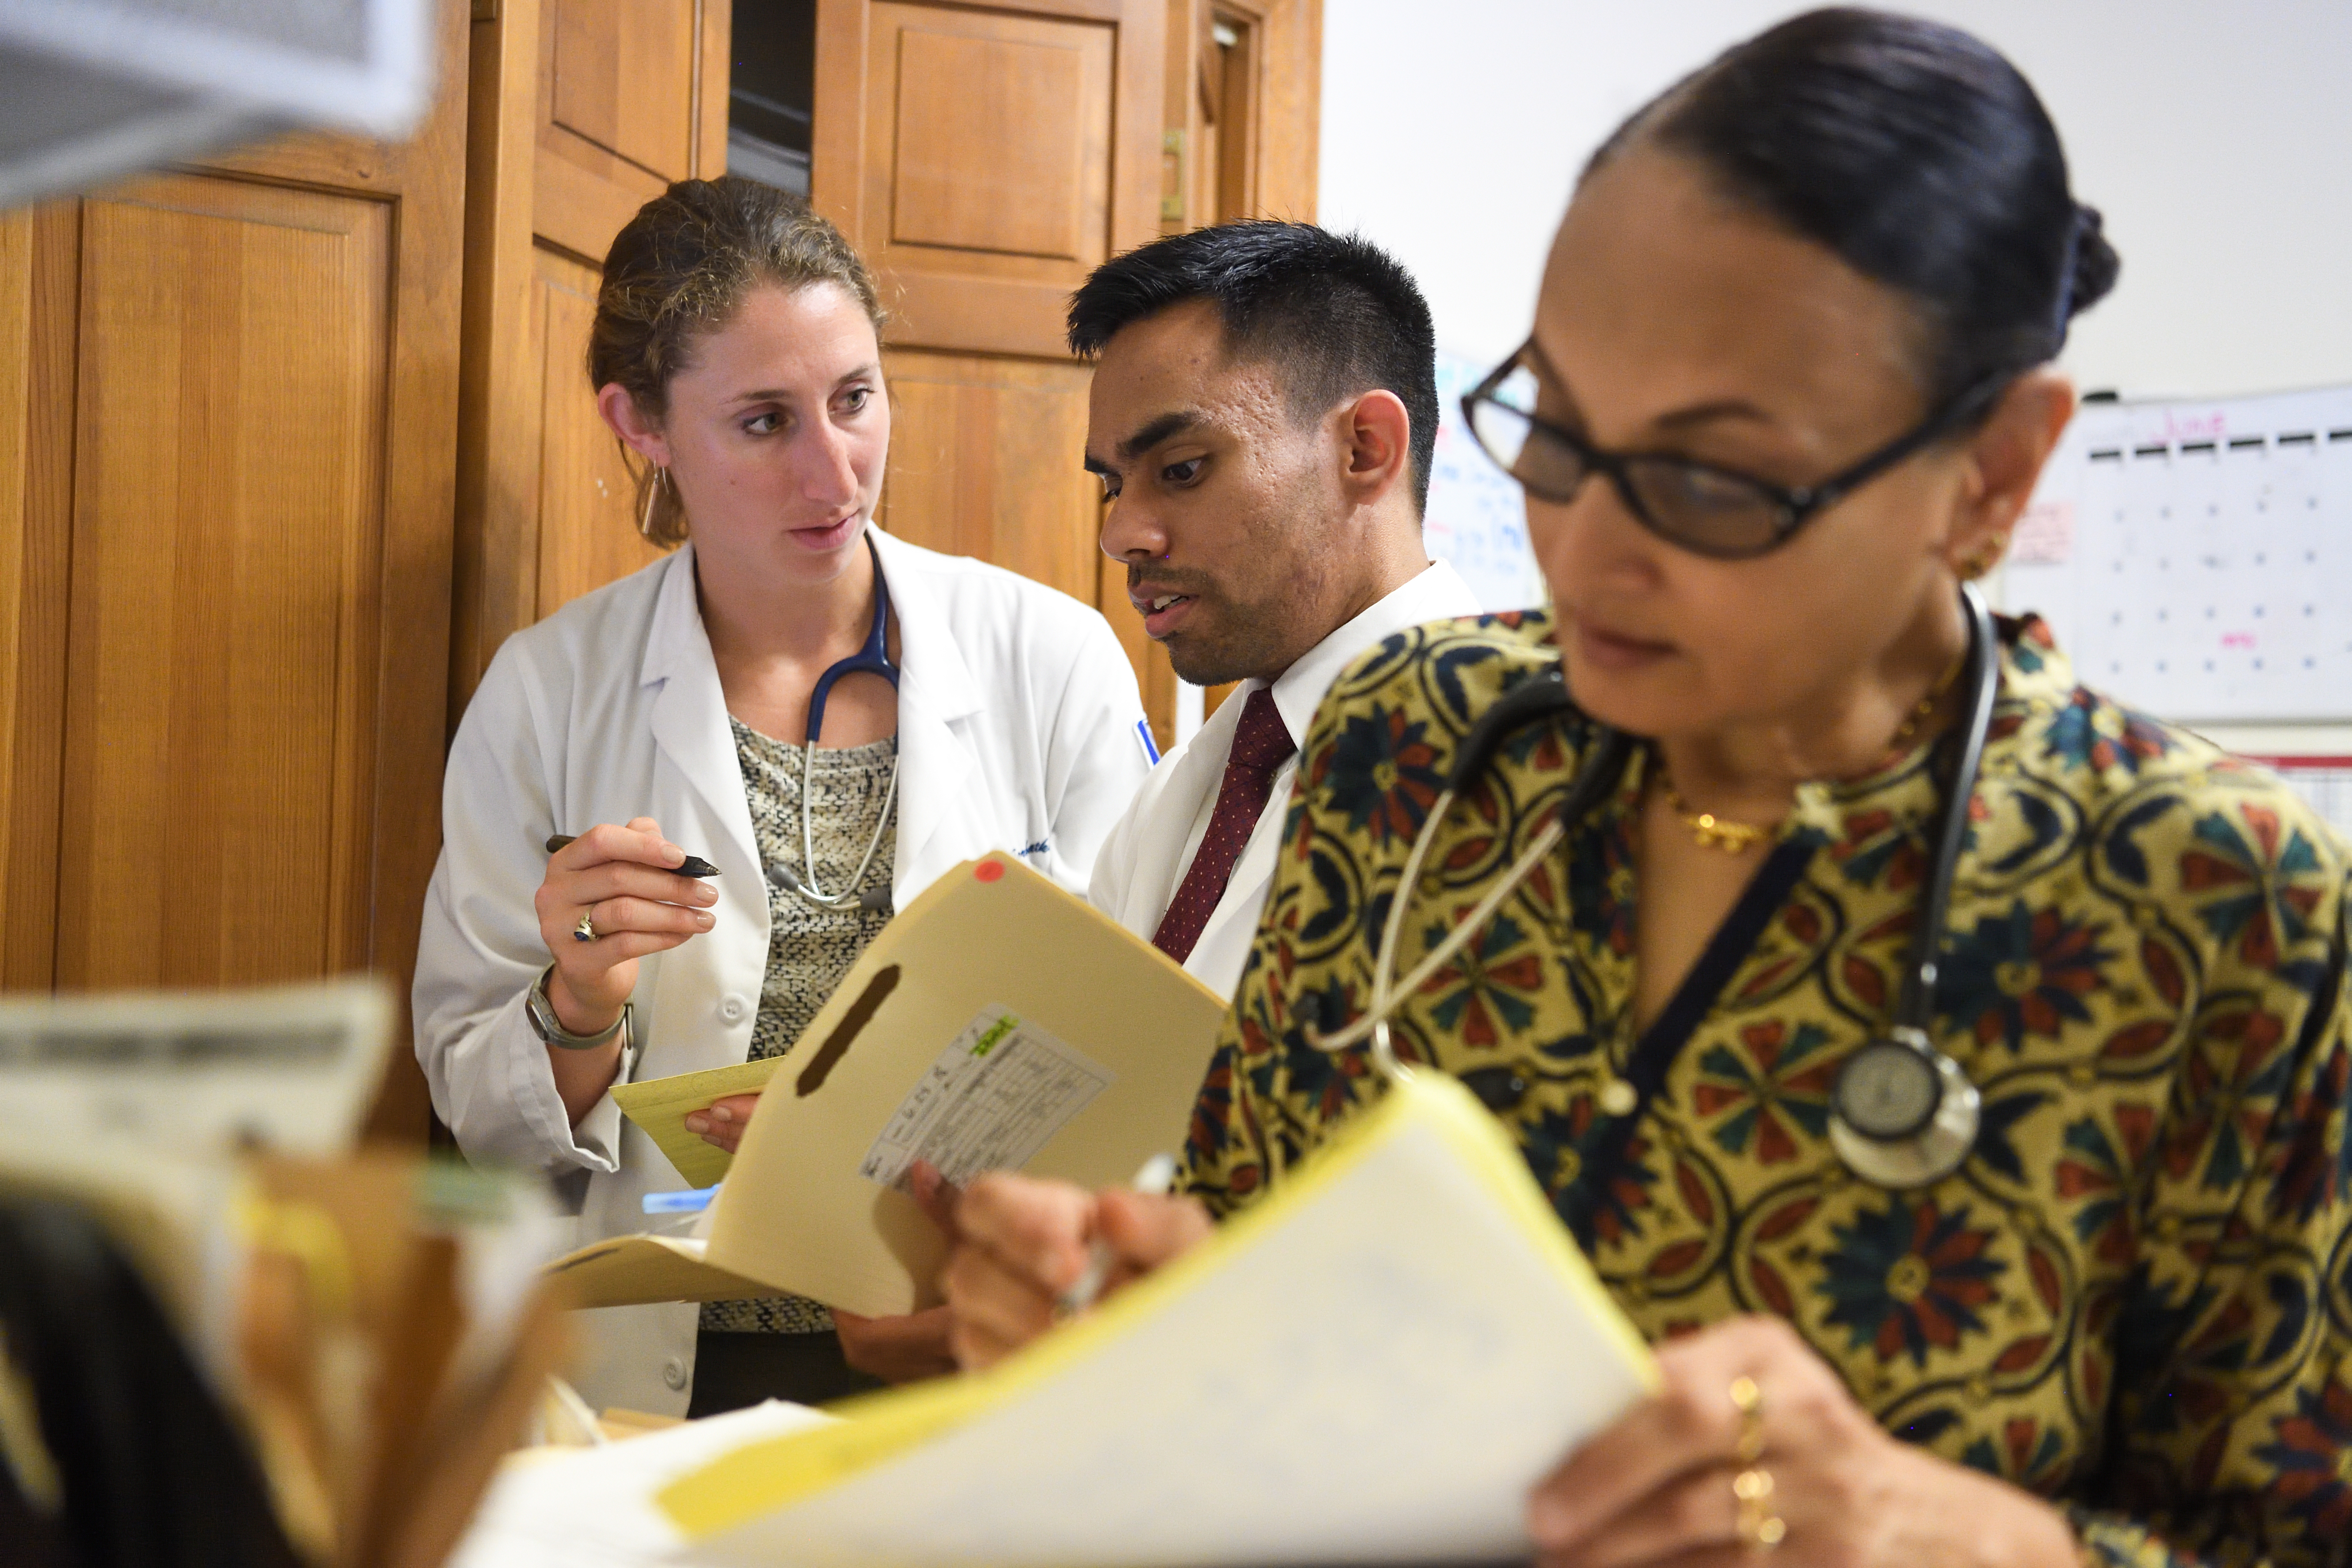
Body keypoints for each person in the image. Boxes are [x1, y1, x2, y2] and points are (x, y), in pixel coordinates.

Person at [932, 14, 2352, 1567]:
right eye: (1553, 433)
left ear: (1992, 475)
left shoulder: (2211, 905)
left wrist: (1947, 1534)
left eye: (1709, 480)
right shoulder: (1416, 750)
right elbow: (1237, 1259)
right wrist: (1118, 1302)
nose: (1587, 550)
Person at [414, 177, 1152, 1419]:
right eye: (764, 422)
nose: (834, 470)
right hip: (665, 1360)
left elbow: (1137, 1027)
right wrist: (580, 1000)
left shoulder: (1052, 657)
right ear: (642, 424)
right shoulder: (547, 692)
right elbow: (473, 1102)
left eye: (855, 400)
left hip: (959, 1333)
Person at [1075, 223, 1479, 1000]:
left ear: (1365, 449)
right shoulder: (1190, 794)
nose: (1121, 534)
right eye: (1113, 485)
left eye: (1183, 469)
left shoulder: (1514, 784)